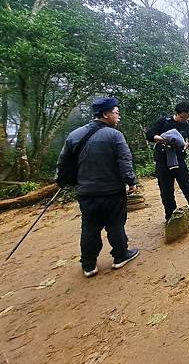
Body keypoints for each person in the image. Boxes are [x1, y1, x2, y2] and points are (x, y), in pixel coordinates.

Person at [56, 97, 139, 278]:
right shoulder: (115, 135)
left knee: (90, 227)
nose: (118, 116)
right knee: (116, 224)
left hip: (86, 193)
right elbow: (124, 161)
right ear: (105, 114)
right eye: (116, 112)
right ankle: (120, 255)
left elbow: (63, 163)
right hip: (112, 192)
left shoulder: (75, 135)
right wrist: (131, 181)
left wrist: (62, 182)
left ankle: (88, 264)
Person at [145, 101, 189, 224]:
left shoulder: (185, 125)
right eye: (182, 117)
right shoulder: (164, 122)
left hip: (179, 159)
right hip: (163, 160)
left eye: (187, 117)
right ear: (176, 113)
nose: (184, 119)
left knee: (187, 187)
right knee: (166, 190)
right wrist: (162, 139)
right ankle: (170, 216)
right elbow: (149, 134)